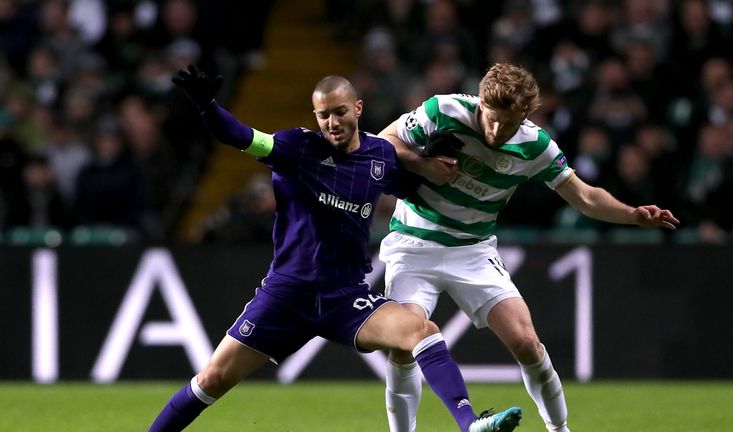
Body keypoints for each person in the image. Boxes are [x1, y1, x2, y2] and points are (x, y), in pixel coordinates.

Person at [146, 65, 523, 432]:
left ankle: (470, 423)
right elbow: (240, 135)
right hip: (287, 297)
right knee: (211, 379)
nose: (332, 123)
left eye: (340, 112)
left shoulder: (380, 157)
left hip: (345, 298)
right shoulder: (295, 147)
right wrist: (208, 107)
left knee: (421, 331)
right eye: (324, 115)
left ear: (357, 109)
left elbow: (417, 186)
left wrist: (429, 157)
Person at [377, 63, 680, 432]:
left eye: (509, 123)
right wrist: (422, 163)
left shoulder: (535, 145)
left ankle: (558, 429)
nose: (497, 130)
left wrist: (633, 214)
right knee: (403, 344)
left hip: (473, 250)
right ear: (481, 101)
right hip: (414, 244)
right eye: (492, 119)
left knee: (526, 343)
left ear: (525, 116)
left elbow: (584, 196)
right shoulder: (443, 110)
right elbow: (381, 143)